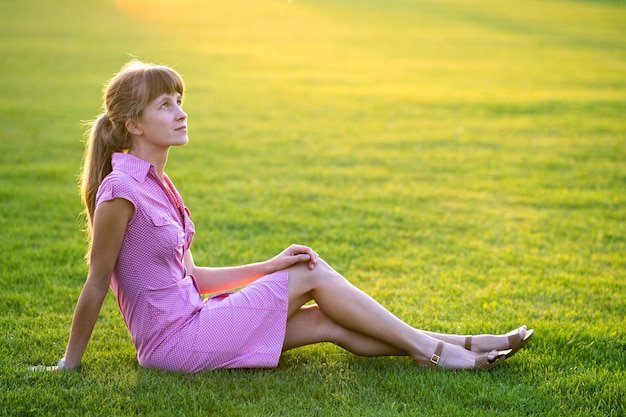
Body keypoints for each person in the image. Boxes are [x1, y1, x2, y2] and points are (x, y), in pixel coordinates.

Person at [56, 60, 533, 373]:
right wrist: (68, 365)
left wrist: (268, 266)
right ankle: (439, 354)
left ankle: (467, 346)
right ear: (133, 125)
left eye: (180, 101)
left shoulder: (158, 185)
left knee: (326, 322)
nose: (180, 113)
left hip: (199, 319)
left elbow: (192, 278)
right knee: (310, 272)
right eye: (165, 105)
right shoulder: (120, 191)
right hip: (174, 346)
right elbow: (98, 282)